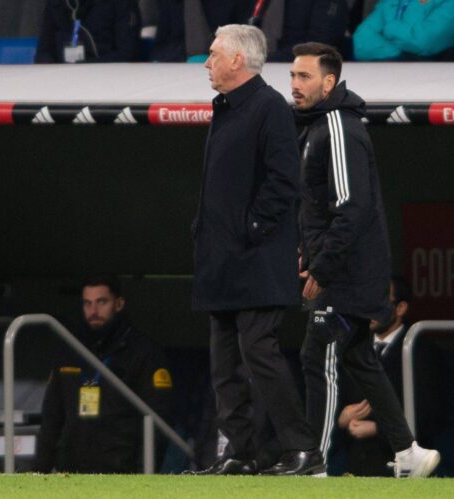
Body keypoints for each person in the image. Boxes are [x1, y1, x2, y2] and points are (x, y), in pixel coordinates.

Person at [291, 42, 439, 478]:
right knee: (358, 358)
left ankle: (313, 463)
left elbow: (350, 207)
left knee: (317, 356)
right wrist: (307, 250)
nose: (295, 85)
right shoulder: (317, 126)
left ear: (329, 83)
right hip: (344, 270)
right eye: (293, 76)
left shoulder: (338, 125)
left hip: (348, 275)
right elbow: (319, 206)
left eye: (304, 77)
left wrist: (323, 266)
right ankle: (409, 452)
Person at [190, 24, 324, 476]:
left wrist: (251, 229)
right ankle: (241, 452)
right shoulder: (226, 109)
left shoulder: (269, 107)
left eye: (213, 54)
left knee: (260, 353)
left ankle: (302, 449)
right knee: (224, 364)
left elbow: (284, 181)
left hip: (257, 259)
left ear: (236, 60)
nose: (206, 63)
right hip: (222, 260)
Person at [33, 276, 174, 473]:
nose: (93, 311)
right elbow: (51, 418)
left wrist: (144, 476)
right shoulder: (69, 350)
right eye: (87, 303)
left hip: (122, 471)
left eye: (102, 302)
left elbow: (159, 421)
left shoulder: (143, 352)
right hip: (71, 470)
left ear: (119, 304)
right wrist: (39, 471)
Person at [338, 277, 445, 476]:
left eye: (378, 301)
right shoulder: (352, 347)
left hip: (404, 471)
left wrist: (378, 429)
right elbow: (333, 399)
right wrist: (342, 418)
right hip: (356, 467)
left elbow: (432, 416)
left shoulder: (421, 351)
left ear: (400, 308)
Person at [352, 0, 454, 61]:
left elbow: (423, 41)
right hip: (382, 78)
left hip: (431, 84)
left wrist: (388, 29)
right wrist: (399, 55)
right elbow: (360, 41)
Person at [35, 0, 142, 63]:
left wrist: (83, 68)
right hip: (63, 80)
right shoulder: (56, 4)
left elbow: (127, 54)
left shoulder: (121, 3)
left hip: (109, 78)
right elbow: (43, 52)